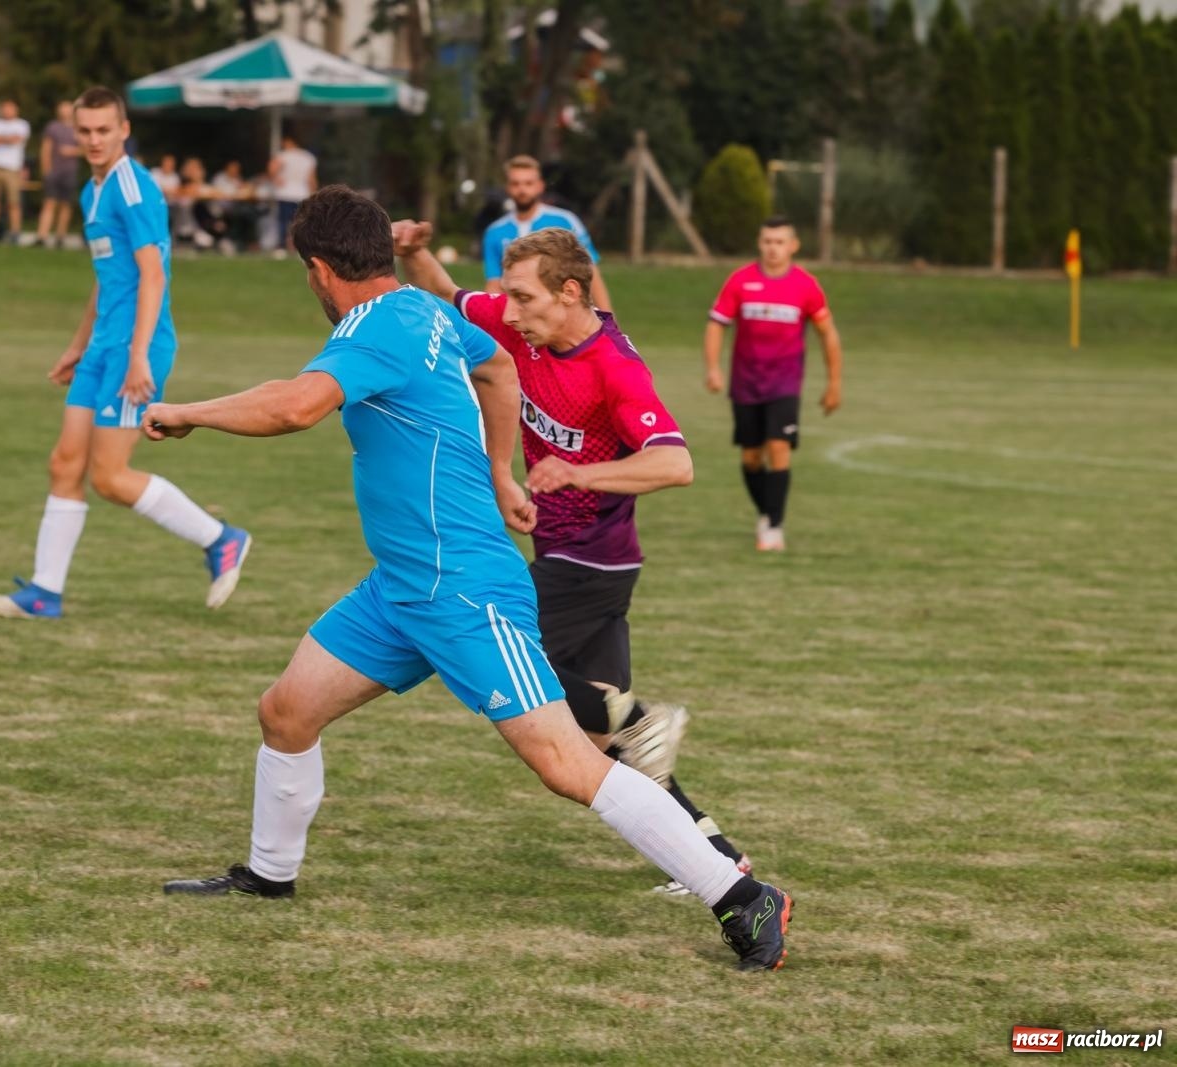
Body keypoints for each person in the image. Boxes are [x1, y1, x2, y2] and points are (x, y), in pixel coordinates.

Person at [144, 185, 793, 973]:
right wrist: (500, 470)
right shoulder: (421, 309)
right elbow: (497, 367)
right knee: (286, 711)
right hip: (399, 587)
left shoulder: (377, 324)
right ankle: (269, 873)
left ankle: (742, 895)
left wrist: (188, 411)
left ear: (318, 270)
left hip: (463, 587)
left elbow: (294, 407)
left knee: (568, 764)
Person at [392, 219, 755, 894]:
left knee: (490, 650)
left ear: (568, 292)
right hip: (574, 557)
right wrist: (412, 253)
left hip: (592, 561)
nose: (508, 312)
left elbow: (675, 464)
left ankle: (637, 715)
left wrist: (578, 474)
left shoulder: (614, 367)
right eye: (507, 296)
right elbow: (449, 294)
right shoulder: (527, 329)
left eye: (522, 298)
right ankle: (719, 858)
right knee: (602, 746)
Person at [0, 86, 251, 619]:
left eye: (105, 130)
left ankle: (221, 539)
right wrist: (78, 346)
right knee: (65, 463)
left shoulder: (132, 188)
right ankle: (44, 593)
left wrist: (139, 355)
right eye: (85, 131)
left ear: (124, 130)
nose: (95, 139)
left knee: (108, 477)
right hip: (103, 347)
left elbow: (153, 275)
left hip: (134, 349)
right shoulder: (92, 191)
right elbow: (108, 279)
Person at [704, 216, 843, 552]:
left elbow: (828, 334)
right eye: (767, 241)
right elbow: (717, 324)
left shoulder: (806, 286)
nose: (773, 248)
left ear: (793, 246)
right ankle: (767, 512)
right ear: (759, 243)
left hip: (785, 383)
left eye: (780, 242)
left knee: (778, 448)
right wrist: (713, 368)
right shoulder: (740, 281)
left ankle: (773, 527)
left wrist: (834, 383)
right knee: (751, 458)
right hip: (746, 382)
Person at [481, 156, 612, 312]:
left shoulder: (565, 221)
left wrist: (608, 319)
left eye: (528, 183)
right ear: (507, 188)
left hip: (564, 314)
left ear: (540, 186)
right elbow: (494, 283)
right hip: (519, 317)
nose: (522, 190)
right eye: (516, 184)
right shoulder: (494, 232)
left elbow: (590, 272)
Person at [0, 100, 30, 243]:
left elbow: (16, 139)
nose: (7, 111)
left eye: (10, 108)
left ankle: (15, 233)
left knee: (13, 203)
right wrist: (6, 139)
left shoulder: (22, 125)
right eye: (5, 108)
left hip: (12, 169)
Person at [36, 101, 82, 249]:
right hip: (54, 172)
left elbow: (87, 149)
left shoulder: (79, 128)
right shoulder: (52, 127)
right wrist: (46, 170)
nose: (65, 110)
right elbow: (45, 149)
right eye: (62, 108)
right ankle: (41, 237)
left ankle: (60, 237)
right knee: (49, 203)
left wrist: (72, 151)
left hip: (70, 172)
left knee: (66, 205)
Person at [267, 133, 316, 253]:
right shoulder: (308, 157)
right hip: (302, 194)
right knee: (301, 223)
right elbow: (311, 179)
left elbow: (272, 168)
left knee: (283, 222)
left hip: (285, 193)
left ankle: (281, 247)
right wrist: (313, 194)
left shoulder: (283, 155)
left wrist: (275, 178)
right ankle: (302, 247)